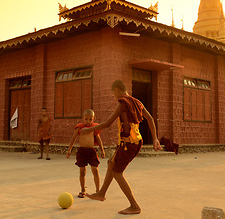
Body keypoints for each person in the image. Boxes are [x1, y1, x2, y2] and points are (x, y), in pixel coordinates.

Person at [81, 80, 162, 215]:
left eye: (113, 93)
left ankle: (134, 205)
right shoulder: (137, 102)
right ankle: (101, 193)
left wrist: (89, 130)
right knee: (111, 163)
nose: (114, 96)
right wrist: (155, 139)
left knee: (117, 173)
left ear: (117, 90)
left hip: (128, 144)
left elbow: (107, 124)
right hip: (136, 141)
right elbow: (150, 119)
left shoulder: (123, 103)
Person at [66, 109, 105, 198]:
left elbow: (98, 139)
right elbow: (73, 138)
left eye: (90, 119)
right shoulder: (79, 128)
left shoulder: (94, 128)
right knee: (82, 172)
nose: (88, 121)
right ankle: (83, 190)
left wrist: (102, 150)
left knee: (95, 170)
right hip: (82, 152)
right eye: (86, 119)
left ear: (93, 118)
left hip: (92, 152)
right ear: (83, 118)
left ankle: (98, 191)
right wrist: (69, 150)